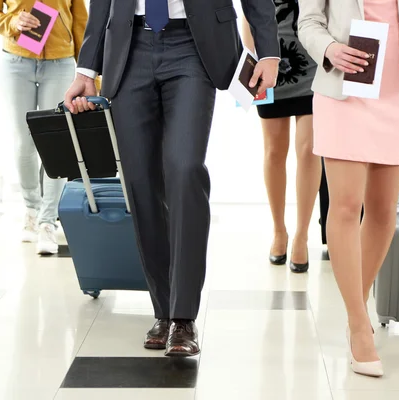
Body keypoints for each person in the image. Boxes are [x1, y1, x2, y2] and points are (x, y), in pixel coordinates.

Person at [64, 0, 279, 356]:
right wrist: (87, 69)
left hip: (195, 46)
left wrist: (268, 51)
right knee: (141, 184)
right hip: (129, 46)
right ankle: (163, 312)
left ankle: (183, 317)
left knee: (185, 168)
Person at [298, 0, 399, 377]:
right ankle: (357, 325)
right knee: (347, 206)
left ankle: (358, 304)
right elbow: (308, 22)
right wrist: (330, 49)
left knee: (383, 212)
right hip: (344, 90)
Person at [0, 0, 91, 255]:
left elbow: (81, 24)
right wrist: (12, 22)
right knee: (24, 141)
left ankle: (47, 221)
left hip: (60, 63)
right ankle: (32, 209)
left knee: (57, 144)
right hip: (16, 63)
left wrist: (90, 76)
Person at [240, 1, 320, 274]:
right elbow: (249, 13)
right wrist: (250, 57)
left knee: (310, 150)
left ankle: (302, 235)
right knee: (275, 150)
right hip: (270, 61)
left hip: (314, 60)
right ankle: (279, 230)